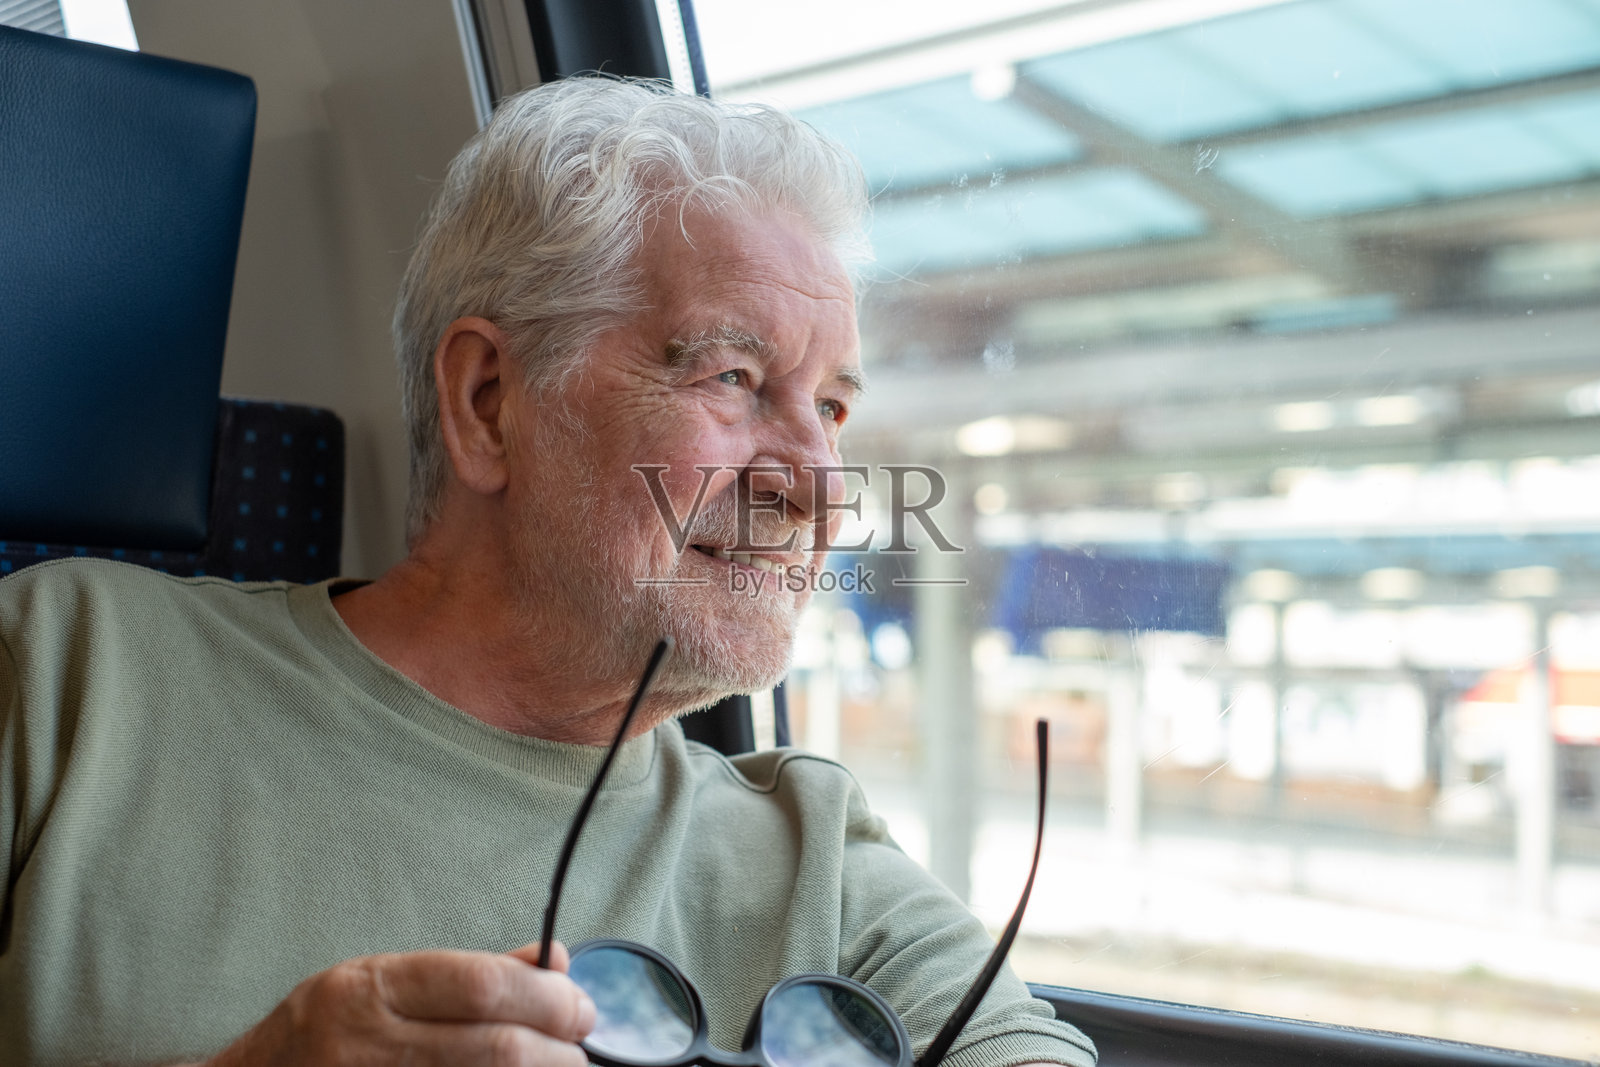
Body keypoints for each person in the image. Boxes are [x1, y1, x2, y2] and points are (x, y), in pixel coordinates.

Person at [0, 77, 1096, 1067]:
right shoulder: (62, 667)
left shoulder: (810, 851)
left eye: (833, 408)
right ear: (488, 404)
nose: (821, 483)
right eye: (733, 376)